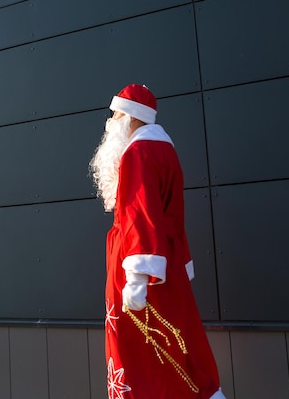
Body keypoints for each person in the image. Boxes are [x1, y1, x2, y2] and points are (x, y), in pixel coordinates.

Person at [89, 84, 226, 399]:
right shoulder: (165, 149)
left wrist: (136, 279)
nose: (111, 121)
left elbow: (140, 212)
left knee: (140, 352)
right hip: (165, 261)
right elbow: (174, 217)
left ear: (131, 117)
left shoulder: (138, 152)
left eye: (116, 114)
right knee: (176, 342)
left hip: (138, 267)